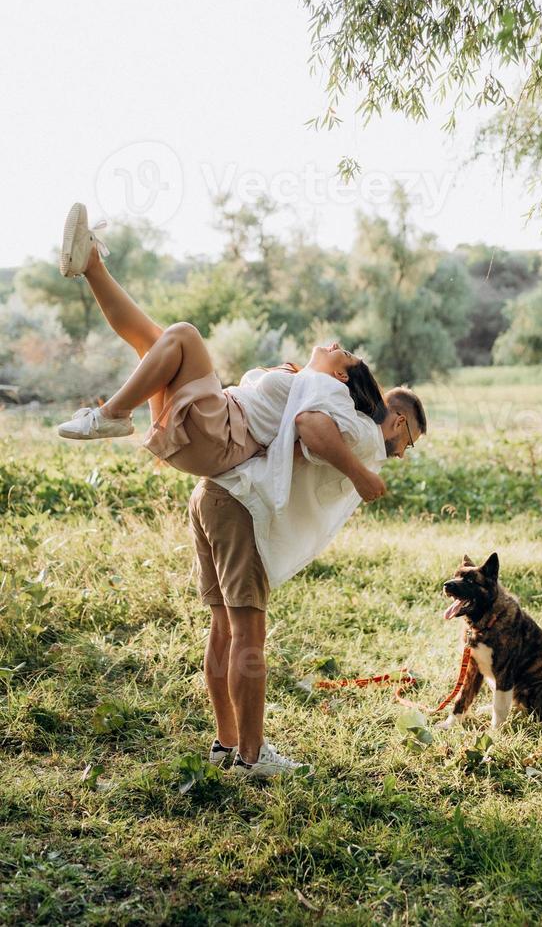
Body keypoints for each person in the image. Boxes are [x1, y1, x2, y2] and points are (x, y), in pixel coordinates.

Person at [55, 202, 386, 501]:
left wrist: (360, 476)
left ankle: (113, 416)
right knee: (153, 342)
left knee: (184, 334)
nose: (334, 345)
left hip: (222, 437)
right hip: (207, 434)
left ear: (341, 375)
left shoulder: (328, 390)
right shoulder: (304, 380)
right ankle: (92, 263)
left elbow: (318, 433)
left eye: (343, 353)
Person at [190, 369, 427, 778]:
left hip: (213, 492)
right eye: (408, 443)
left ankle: (227, 744)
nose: (402, 454)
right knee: (247, 632)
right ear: (399, 421)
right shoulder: (362, 428)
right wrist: (359, 473)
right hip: (240, 505)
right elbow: (308, 424)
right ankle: (251, 755)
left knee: (223, 629)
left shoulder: (334, 404)